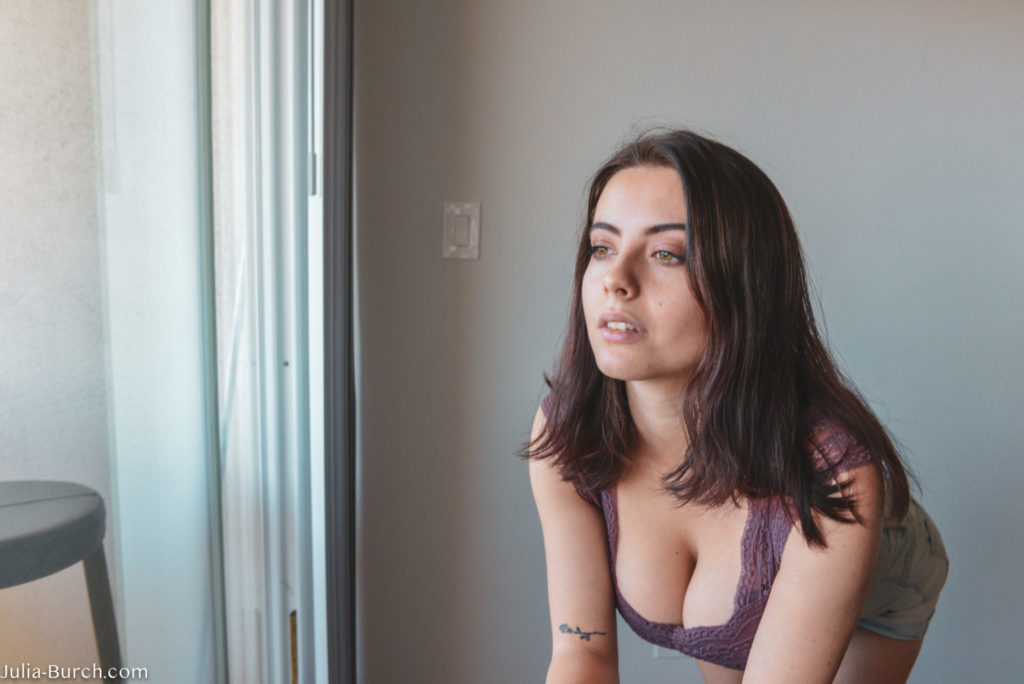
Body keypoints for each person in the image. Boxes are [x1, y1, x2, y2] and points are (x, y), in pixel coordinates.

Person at [522, 129, 948, 684]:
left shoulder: (835, 473)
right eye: (602, 248)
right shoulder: (565, 434)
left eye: (666, 254)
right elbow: (584, 654)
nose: (615, 281)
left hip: (877, 571)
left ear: (743, 285)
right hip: (742, 586)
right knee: (719, 619)